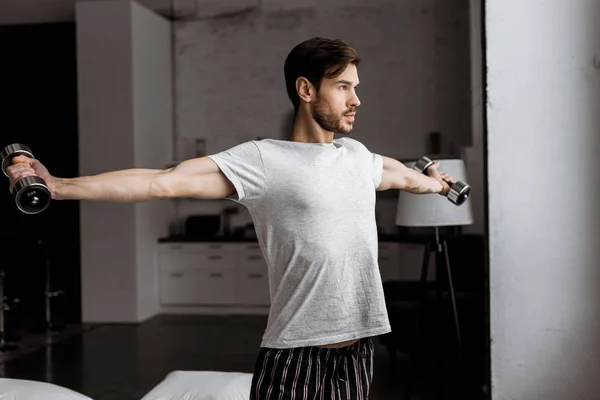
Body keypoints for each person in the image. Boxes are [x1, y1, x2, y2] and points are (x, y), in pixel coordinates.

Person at [6, 37, 456, 399]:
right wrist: (60, 185)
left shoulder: (356, 156)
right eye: (343, 87)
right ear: (305, 90)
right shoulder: (263, 159)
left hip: (360, 348)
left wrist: (436, 182)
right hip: (298, 354)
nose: (356, 99)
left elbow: (401, 174)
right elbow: (163, 181)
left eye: (356, 87)